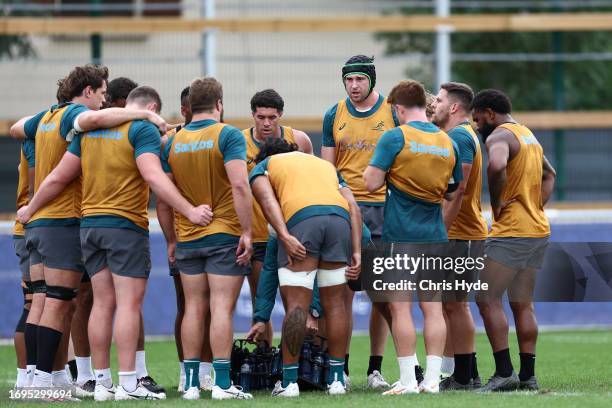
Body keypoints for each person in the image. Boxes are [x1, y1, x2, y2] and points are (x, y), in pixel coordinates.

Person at [17, 85, 211, 400]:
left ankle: (103, 383)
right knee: (128, 305)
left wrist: (30, 207)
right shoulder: (141, 128)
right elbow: (153, 176)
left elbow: (56, 177)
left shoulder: (87, 133)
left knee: (102, 304)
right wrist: (189, 209)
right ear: (151, 108)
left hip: (89, 227)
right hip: (124, 226)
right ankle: (130, 384)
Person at [10, 64, 167, 393]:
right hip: (62, 220)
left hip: (37, 223)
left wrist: (30, 208)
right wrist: (143, 116)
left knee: (40, 302)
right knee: (58, 302)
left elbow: (16, 128)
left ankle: (40, 378)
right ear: (88, 92)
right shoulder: (75, 116)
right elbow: (91, 120)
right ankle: (44, 382)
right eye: (102, 94)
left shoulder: (47, 116)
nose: (104, 102)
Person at [363, 79, 463, 394]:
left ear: (398, 108)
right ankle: (432, 380)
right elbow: (451, 191)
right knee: (433, 309)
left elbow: (370, 183)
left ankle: (408, 380)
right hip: (435, 235)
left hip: (399, 237)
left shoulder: (395, 137)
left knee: (400, 308)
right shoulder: (449, 142)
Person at [161, 77, 254, 400]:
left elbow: (163, 196)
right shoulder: (227, 134)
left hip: (188, 237)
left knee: (193, 309)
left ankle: (189, 384)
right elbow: (241, 186)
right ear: (219, 104)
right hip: (223, 233)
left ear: (189, 107)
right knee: (220, 309)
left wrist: (172, 238)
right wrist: (247, 231)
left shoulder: (172, 141)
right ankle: (222, 384)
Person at [249, 137, 362, 397]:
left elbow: (268, 203)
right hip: (340, 222)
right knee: (336, 305)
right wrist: (356, 252)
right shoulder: (324, 166)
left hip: (302, 222)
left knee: (297, 306)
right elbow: (354, 208)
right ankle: (336, 380)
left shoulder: (264, 166)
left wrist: (285, 236)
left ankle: (289, 382)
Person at [321, 55, 397, 389]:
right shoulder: (332, 114)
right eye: (349, 80)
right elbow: (328, 168)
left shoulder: (391, 112)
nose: (354, 86)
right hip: (344, 211)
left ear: (371, 81)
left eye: (360, 80)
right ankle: (342, 368)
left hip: (383, 210)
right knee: (343, 295)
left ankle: (376, 369)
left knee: (382, 294)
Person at [472, 89, 555, 392]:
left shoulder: (499, 137)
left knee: (486, 298)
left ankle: (504, 372)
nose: (477, 125)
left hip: (512, 233)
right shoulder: (528, 135)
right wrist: (535, 205)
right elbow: (551, 174)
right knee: (523, 304)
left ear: (490, 114)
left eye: (477, 118)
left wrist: (497, 203)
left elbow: (496, 166)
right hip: (537, 230)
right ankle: (528, 377)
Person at [243, 88, 313, 346]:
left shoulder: (300, 140)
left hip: (295, 235)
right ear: (253, 115)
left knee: (295, 301)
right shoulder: (240, 143)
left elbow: (311, 181)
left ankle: (296, 362)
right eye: (261, 117)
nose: (266, 124)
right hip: (260, 236)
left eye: (272, 117)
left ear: (280, 115)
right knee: (260, 301)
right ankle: (264, 358)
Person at [158, 86, 214, 393]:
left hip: (217, 234)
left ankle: (205, 372)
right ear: (184, 110)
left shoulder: (223, 135)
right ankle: (187, 371)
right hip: (187, 235)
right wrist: (171, 239)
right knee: (190, 305)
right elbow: (163, 199)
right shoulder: (171, 141)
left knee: (211, 306)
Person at [431, 82, 487, 390]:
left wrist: (440, 231)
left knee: (456, 304)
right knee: (449, 304)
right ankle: (467, 373)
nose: (434, 104)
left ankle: (465, 376)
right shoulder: (459, 135)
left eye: (439, 100)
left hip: (461, 234)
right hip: (460, 232)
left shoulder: (460, 137)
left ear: (454, 107)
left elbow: (459, 189)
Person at [12, 138, 35, 388]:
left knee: (36, 303)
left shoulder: (30, 140)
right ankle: (26, 377)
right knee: (35, 304)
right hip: (34, 227)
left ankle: (31, 376)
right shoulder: (38, 141)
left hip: (27, 228)